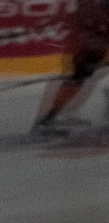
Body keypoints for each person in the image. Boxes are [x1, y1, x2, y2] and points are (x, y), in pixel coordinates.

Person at [31, 0, 109, 135]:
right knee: (78, 75)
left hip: (93, 32)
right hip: (91, 34)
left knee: (83, 74)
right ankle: (48, 119)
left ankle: (53, 117)